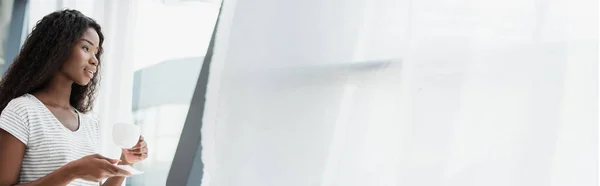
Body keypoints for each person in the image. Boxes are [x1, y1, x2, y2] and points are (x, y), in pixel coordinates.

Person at [0, 9, 148, 186]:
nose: (94, 60)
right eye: (86, 48)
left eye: (96, 52)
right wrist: (73, 171)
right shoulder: (22, 110)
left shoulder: (90, 122)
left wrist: (126, 161)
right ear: (58, 46)